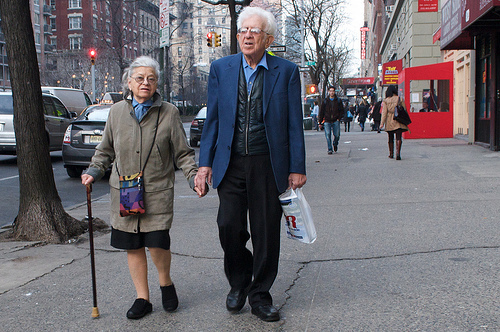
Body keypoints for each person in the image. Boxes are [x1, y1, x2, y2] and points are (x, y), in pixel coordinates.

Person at [194, 6, 306, 323]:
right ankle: (239, 281)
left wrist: (297, 166)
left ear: (267, 38)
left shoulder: (285, 72)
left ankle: (259, 295)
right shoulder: (221, 68)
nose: (246, 36)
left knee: (266, 232)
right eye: (243, 30)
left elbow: (294, 124)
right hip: (230, 163)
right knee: (229, 226)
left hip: (268, 163)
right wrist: (205, 165)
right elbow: (212, 121)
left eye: (254, 31)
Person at [81, 56, 205, 320]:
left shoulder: (168, 112)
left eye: (151, 79)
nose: (145, 83)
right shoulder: (116, 113)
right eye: (139, 78)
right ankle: (142, 298)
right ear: (129, 82)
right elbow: (104, 151)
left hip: (157, 191)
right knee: (133, 245)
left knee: (157, 243)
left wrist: (193, 176)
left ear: (157, 83)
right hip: (126, 190)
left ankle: (165, 281)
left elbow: (183, 153)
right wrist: (93, 172)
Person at [380, 85, 409, 160]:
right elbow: (404, 109)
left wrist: (382, 123)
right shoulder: (399, 99)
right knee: (398, 137)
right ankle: (398, 153)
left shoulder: (386, 100)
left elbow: (384, 112)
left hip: (390, 120)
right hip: (398, 119)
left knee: (390, 137)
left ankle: (391, 153)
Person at [318, 86, 344, 154]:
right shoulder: (325, 101)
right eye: (330, 91)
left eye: (333, 91)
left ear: (334, 92)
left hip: (336, 120)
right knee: (328, 134)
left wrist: (339, 118)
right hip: (327, 120)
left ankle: (335, 143)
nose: (332, 92)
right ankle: (330, 149)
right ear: (329, 92)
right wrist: (320, 121)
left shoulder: (338, 100)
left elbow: (342, 110)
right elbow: (322, 111)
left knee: (337, 135)